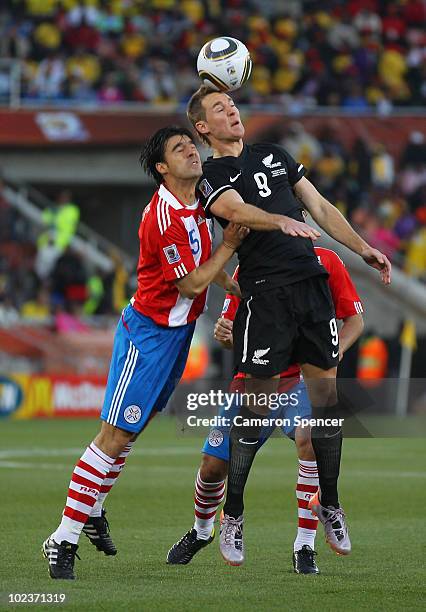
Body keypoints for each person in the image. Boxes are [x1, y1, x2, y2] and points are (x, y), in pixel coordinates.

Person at [185, 86, 391, 562]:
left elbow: (319, 208)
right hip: (266, 295)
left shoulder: (274, 154)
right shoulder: (211, 174)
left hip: (312, 289)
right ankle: (232, 515)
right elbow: (233, 210)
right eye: (219, 109)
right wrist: (278, 222)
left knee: (325, 410)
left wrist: (362, 248)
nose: (231, 111)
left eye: (232, 104)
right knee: (254, 415)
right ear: (203, 128)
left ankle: (332, 505)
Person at [42, 126, 248, 580]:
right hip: (149, 334)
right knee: (112, 437)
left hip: (176, 334)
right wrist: (229, 248)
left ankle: (93, 509)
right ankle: (62, 537)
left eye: (190, 145)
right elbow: (189, 282)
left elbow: (200, 266)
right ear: (161, 168)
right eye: (179, 149)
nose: (192, 151)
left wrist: (228, 280)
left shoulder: (198, 204)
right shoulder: (162, 216)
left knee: (127, 435)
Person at [167, 247, 364, 573]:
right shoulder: (252, 265)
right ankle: (202, 531)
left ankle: (304, 545)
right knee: (213, 466)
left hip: (299, 381)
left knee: (310, 439)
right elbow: (230, 332)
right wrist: (226, 334)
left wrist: (331, 353)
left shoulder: (326, 261)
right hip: (253, 382)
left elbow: (354, 320)